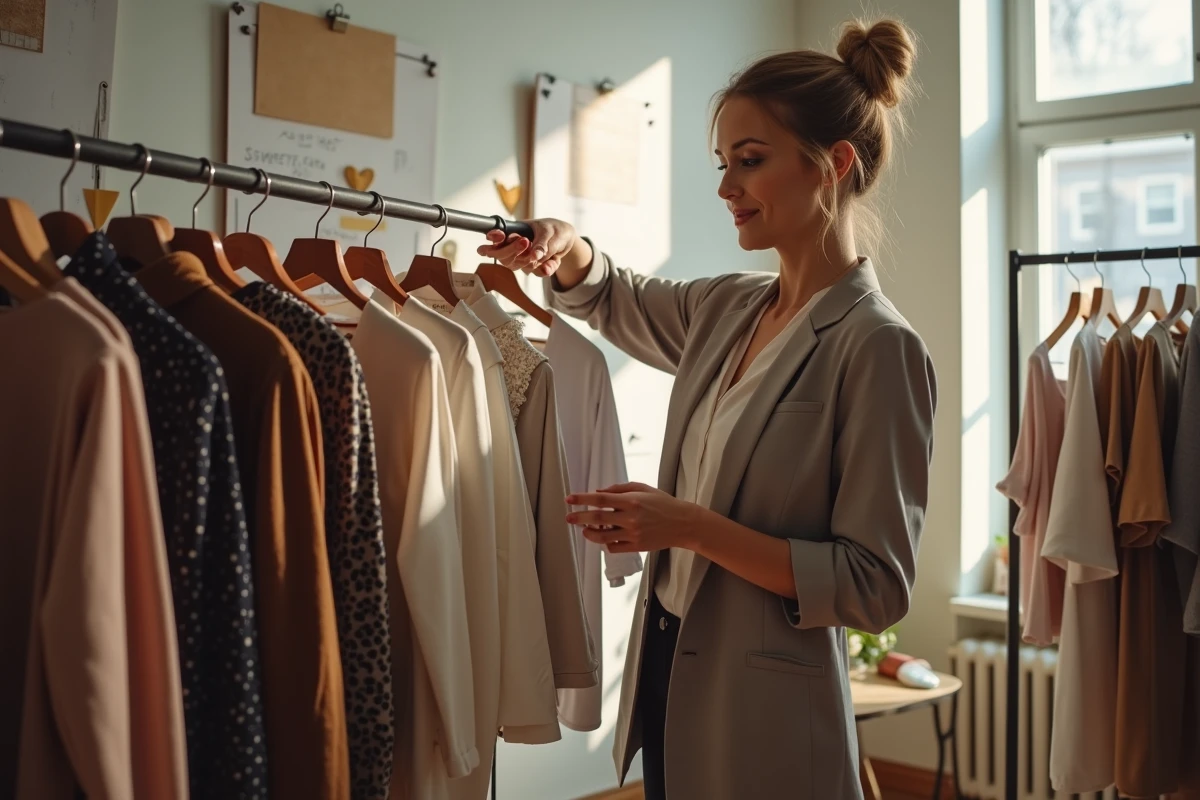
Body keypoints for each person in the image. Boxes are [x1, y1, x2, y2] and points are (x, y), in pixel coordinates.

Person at [479, 17, 936, 800]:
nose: (725, 189)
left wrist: (688, 526)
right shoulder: (729, 307)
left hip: (767, 711)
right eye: (723, 164)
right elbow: (613, 294)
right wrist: (564, 246)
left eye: (749, 163)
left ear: (833, 164)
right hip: (668, 666)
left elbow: (872, 586)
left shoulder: (878, 346)